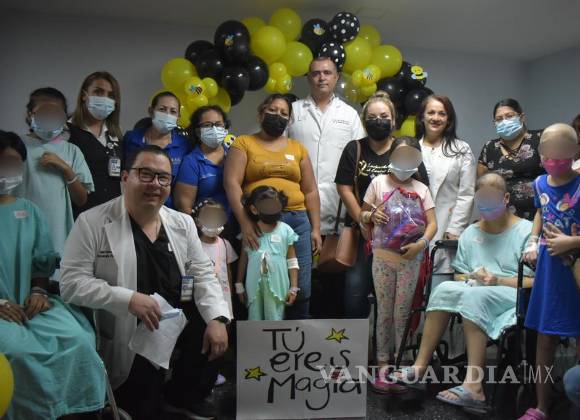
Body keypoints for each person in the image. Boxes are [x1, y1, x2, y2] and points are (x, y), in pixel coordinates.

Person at [59, 145, 231, 420]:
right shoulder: (92, 222)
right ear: (125, 177)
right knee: (142, 407)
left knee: (214, 326)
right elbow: (71, 283)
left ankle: (182, 398)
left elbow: (201, 272)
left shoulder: (182, 223)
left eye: (163, 177)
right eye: (145, 174)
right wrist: (127, 299)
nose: (155, 184)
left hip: (174, 317)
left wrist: (217, 318)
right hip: (131, 327)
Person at [389, 173, 533, 412]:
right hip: (477, 288)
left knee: (473, 296)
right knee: (444, 288)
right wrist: (474, 277)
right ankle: (420, 367)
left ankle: (474, 387)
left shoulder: (526, 232)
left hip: (512, 292)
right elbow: (459, 276)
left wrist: (496, 280)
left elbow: (533, 282)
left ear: (506, 198)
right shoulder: (471, 232)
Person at [0, 131, 106, 419]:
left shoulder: (30, 211)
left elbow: (41, 260)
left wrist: (38, 290)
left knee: (78, 338)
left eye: (13, 163)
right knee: (18, 353)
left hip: (29, 303)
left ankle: (73, 410)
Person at [224, 94, 322, 320]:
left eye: (284, 113)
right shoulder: (243, 143)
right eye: (273, 110)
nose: (278, 116)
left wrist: (316, 228)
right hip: (258, 222)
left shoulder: (298, 148)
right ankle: (260, 337)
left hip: (297, 221)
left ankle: (297, 337)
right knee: (260, 284)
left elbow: (310, 191)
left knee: (301, 286)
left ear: (289, 120)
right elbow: (231, 183)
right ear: (261, 114)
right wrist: (245, 223)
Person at [335, 91, 429, 319]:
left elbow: (421, 189)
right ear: (364, 120)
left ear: (394, 120)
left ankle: (386, 342)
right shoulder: (354, 148)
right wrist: (363, 221)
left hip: (399, 238)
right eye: (372, 117)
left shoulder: (404, 149)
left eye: (384, 116)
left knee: (392, 297)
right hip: (361, 235)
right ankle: (358, 341)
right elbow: (344, 187)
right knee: (355, 292)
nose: (378, 121)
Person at [360, 136, 437, 387]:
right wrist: (371, 215)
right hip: (382, 259)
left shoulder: (421, 189)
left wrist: (421, 245)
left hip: (410, 260)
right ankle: (383, 361)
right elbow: (362, 214)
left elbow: (432, 224)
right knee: (384, 311)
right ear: (391, 155)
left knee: (402, 312)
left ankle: (402, 360)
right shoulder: (378, 183)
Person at [520, 123, 580, 420]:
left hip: (576, 269)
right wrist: (533, 239)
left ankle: (575, 400)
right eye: (547, 152)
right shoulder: (540, 183)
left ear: (575, 152)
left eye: (561, 152)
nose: (553, 158)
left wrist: (572, 242)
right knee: (544, 338)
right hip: (549, 268)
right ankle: (542, 406)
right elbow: (540, 212)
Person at [288, 56, 365, 235]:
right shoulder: (293, 110)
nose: (321, 77)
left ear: (336, 77)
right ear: (308, 78)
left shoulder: (349, 114)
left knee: (333, 251)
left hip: (337, 203)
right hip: (297, 204)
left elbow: (359, 160)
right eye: (316, 73)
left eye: (327, 73)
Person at [14, 88, 93, 257]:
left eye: (56, 113)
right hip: (19, 230)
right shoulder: (16, 146)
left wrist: (65, 169)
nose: (50, 117)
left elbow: (81, 199)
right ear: (30, 115)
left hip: (57, 236)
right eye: (44, 112)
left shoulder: (72, 151)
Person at [416, 95, 476, 274]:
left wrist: (455, 228)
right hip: (413, 227)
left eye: (442, 114)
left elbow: (467, 193)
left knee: (440, 280)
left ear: (449, 119)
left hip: (446, 225)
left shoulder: (461, 149)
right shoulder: (411, 148)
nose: (436, 118)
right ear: (422, 116)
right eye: (431, 112)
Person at [235, 186, 299, 320]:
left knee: (275, 319)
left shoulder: (286, 230)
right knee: (254, 320)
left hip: (278, 286)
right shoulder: (249, 232)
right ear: (254, 209)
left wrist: (293, 287)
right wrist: (239, 284)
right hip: (253, 288)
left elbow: (292, 260)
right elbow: (243, 259)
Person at [478, 98, 544, 220]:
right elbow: (481, 186)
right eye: (499, 119)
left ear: (521, 117)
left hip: (539, 216)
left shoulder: (540, 139)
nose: (504, 121)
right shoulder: (489, 147)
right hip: (500, 218)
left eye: (509, 116)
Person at [123, 91, 192, 208]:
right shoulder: (131, 138)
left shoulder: (184, 145)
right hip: (133, 206)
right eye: (162, 109)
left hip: (168, 210)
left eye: (173, 111)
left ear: (178, 117)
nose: (167, 115)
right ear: (151, 111)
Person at [70, 71, 123, 217]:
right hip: (80, 213)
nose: (105, 98)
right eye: (98, 92)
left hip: (112, 212)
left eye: (111, 95)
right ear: (84, 95)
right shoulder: (66, 131)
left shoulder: (115, 133)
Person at [174, 105, 231, 217]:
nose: (214, 129)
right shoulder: (191, 162)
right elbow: (184, 207)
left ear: (225, 127)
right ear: (198, 131)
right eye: (207, 125)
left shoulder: (233, 154)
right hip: (205, 223)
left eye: (218, 124)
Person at [194, 199, 237, 319]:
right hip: (202, 296)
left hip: (223, 294)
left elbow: (228, 271)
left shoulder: (225, 244)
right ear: (198, 221)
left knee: (225, 322)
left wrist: (230, 293)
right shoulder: (193, 245)